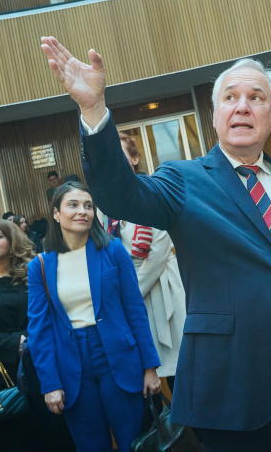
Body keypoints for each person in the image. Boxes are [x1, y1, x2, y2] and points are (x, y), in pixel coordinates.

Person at [40, 36, 271, 452]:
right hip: (230, 396)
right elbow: (118, 194)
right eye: (230, 97)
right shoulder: (184, 180)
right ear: (215, 115)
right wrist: (93, 111)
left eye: (256, 97)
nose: (242, 106)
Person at [27, 182, 162, 452]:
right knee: (90, 445)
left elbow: (135, 310)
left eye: (88, 206)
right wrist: (50, 383)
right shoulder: (40, 265)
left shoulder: (113, 250)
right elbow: (39, 331)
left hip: (119, 357)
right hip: (72, 364)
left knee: (133, 442)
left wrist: (150, 367)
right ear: (56, 213)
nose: (83, 211)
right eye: (73, 205)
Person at [0, 219, 75, 452]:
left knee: (56, 440)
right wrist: (14, 343)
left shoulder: (35, 274)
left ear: (14, 243)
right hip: (1, 380)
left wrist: (32, 340)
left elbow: (53, 317)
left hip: (45, 372)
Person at [102, 132, 186, 392]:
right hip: (128, 291)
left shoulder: (153, 193)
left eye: (121, 155)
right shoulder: (104, 205)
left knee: (177, 366)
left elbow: (160, 251)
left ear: (135, 158)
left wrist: (127, 297)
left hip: (159, 284)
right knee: (144, 371)